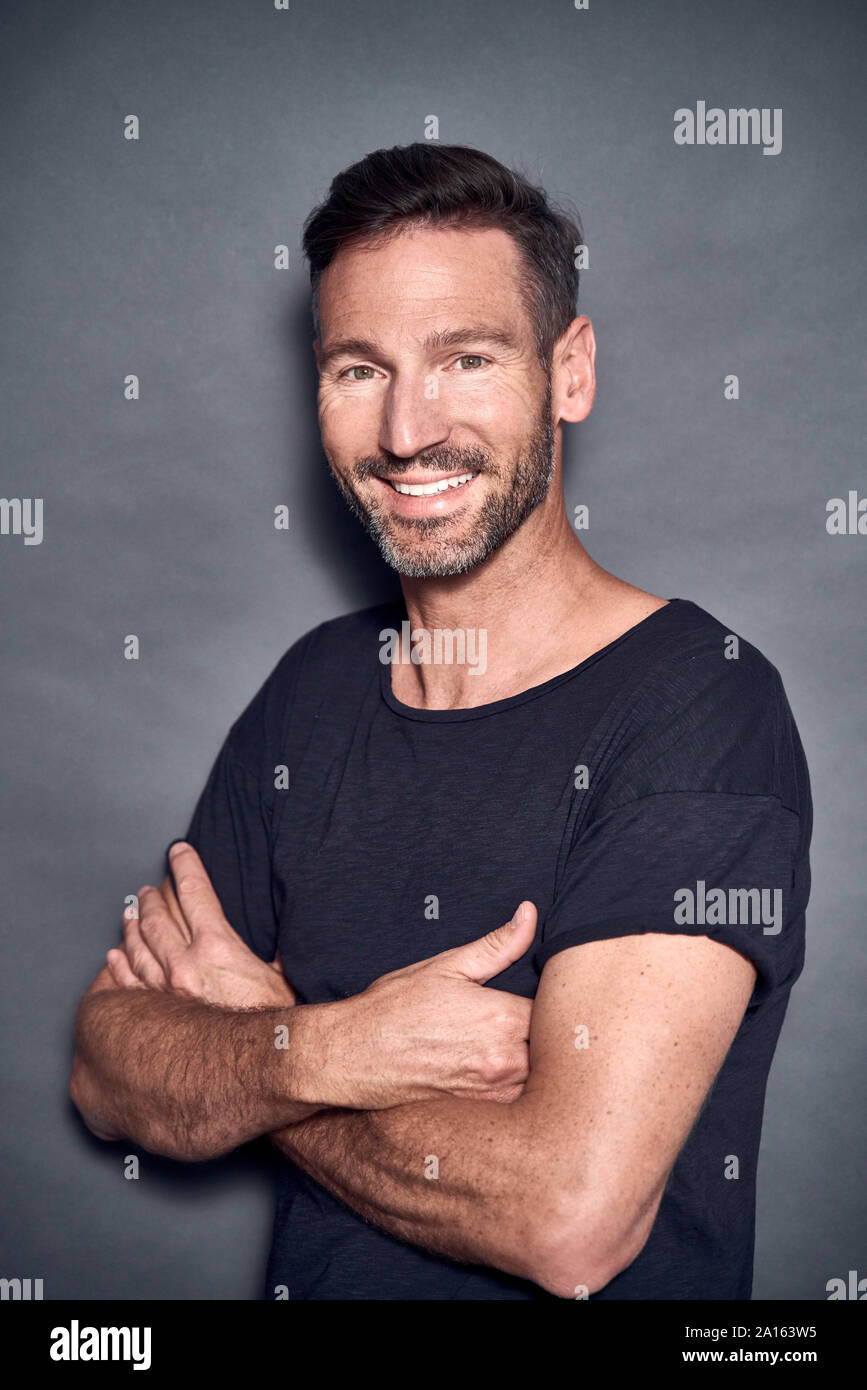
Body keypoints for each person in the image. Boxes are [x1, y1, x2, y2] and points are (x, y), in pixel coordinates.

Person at [70, 143, 812, 1300]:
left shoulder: (701, 706)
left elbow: (569, 1222)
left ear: (570, 372)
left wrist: (258, 1059)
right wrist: (331, 1046)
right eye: (359, 370)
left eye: (466, 357)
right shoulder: (310, 693)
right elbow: (109, 1071)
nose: (409, 431)